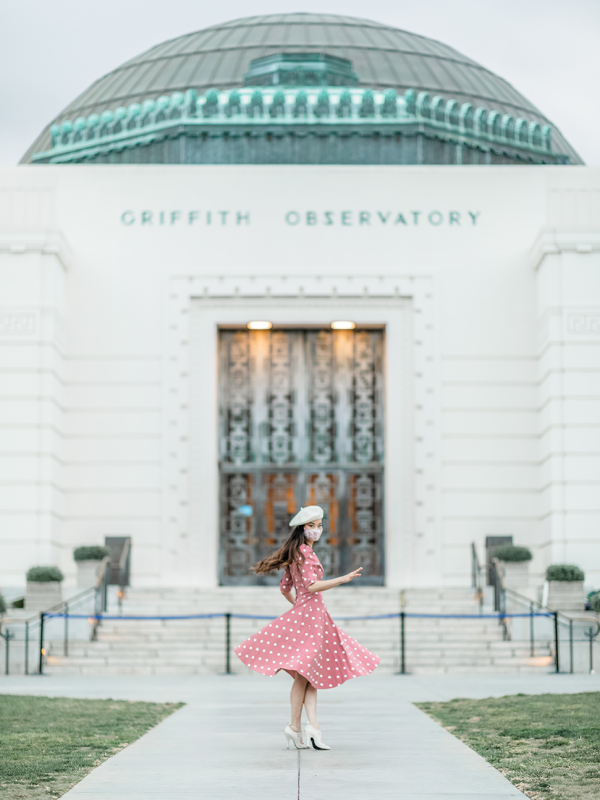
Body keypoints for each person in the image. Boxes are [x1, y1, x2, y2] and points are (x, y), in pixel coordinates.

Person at [234, 505, 380, 750]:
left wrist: (297, 606)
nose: (317, 530)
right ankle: (299, 726)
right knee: (304, 675)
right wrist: (342, 580)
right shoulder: (305, 553)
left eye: (320, 525)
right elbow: (312, 586)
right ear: (302, 529)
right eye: (312, 526)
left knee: (308, 676)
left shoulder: (297, 553)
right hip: (311, 617)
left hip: (309, 615)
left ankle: (306, 727)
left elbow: (285, 588)